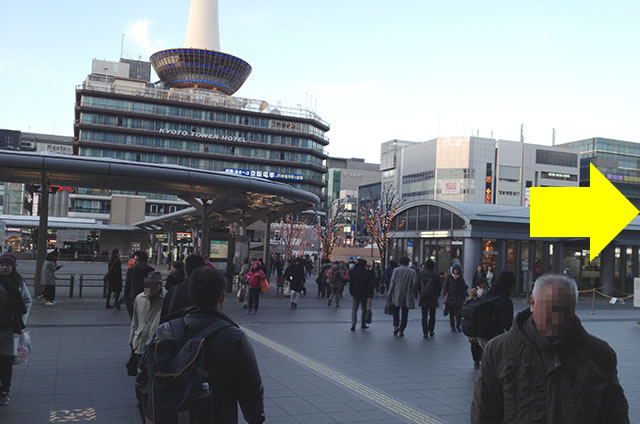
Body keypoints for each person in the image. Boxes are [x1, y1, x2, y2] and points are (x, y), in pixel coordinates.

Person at [471, 274, 629, 423]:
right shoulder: (499, 350)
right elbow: (484, 413)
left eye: (566, 311)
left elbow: (615, 415)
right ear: (533, 303)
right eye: (551, 310)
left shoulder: (599, 354)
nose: (558, 319)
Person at [148, 267, 265, 422]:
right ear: (221, 297)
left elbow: (146, 378)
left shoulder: (163, 331)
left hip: (171, 416)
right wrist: (255, 417)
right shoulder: (234, 338)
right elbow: (251, 389)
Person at [0, 253, 32, 405]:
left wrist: (21, 320)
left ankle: (4, 390)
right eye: (1, 265)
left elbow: (27, 301)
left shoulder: (18, 283)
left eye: (7, 265)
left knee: (6, 363)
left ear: (12, 267)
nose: (4, 267)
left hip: (9, 328)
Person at [129, 271, 166, 362]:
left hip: (156, 343)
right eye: (148, 285)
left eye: (153, 285)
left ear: (160, 285)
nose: (150, 288)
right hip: (140, 341)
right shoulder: (140, 298)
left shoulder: (167, 298)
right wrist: (131, 340)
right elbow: (135, 321)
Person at [161, 254, 205, 320]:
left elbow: (164, 315)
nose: (171, 269)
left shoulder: (175, 290)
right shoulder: (210, 289)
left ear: (185, 269)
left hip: (178, 326)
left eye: (173, 267)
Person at [478, 271, 515, 348]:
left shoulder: (486, 294)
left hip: (480, 334)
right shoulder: (505, 301)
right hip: (494, 337)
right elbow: (508, 325)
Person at [388, 256, 418, 337]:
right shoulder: (412, 272)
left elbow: (392, 282)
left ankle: (395, 326)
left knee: (396, 311)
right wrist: (414, 292)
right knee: (405, 313)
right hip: (407, 294)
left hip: (396, 293)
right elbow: (415, 284)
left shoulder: (396, 270)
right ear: (408, 262)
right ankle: (402, 330)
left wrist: (389, 293)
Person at [123, 251, 155, 319]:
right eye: (134, 259)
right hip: (132, 301)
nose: (134, 262)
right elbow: (127, 286)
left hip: (145, 303)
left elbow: (150, 291)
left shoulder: (150, 271)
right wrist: (127, 302)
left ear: (143, 262)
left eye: (137, 260)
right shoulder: (131, 271)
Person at [418, 259, 442, 338]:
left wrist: (420, 293)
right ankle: (431, 330)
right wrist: (437, 295)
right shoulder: (436, 275)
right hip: (433, 297)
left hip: (423, 297)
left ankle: (425, 332)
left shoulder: (421, 274)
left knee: (424, 315)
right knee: (432, 315)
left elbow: (417, 285)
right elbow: (439, 287)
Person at [442, 263, 467, 332]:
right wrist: (445, 293)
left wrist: (463, 294)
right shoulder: (449, 277)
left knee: (459, 314)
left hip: (459, 299)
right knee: (452, 314)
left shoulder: (461, 278)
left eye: (457, 270)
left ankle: (458, 325)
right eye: (455, 270)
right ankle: (452, 327)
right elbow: (445, 286)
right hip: (451, 299)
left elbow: (464, 287)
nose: (456, 271)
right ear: (453, 270)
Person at [348, 259, 372, 331]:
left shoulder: (353, 272)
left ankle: (353, 325)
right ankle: (363, 323)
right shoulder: (367, 273)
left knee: (354, 309)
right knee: (363, 309)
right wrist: (370, 294)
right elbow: (369, 284)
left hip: (355, 292)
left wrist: (351, 291)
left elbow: (351, 283)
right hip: (364, 293)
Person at [464, 287, 484, 369]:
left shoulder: (468, 302)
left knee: (473, 344)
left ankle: (476, 360)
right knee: (479, 343)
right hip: (479, 325)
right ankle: (480, 359)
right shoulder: (481, 301)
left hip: (470, 326)